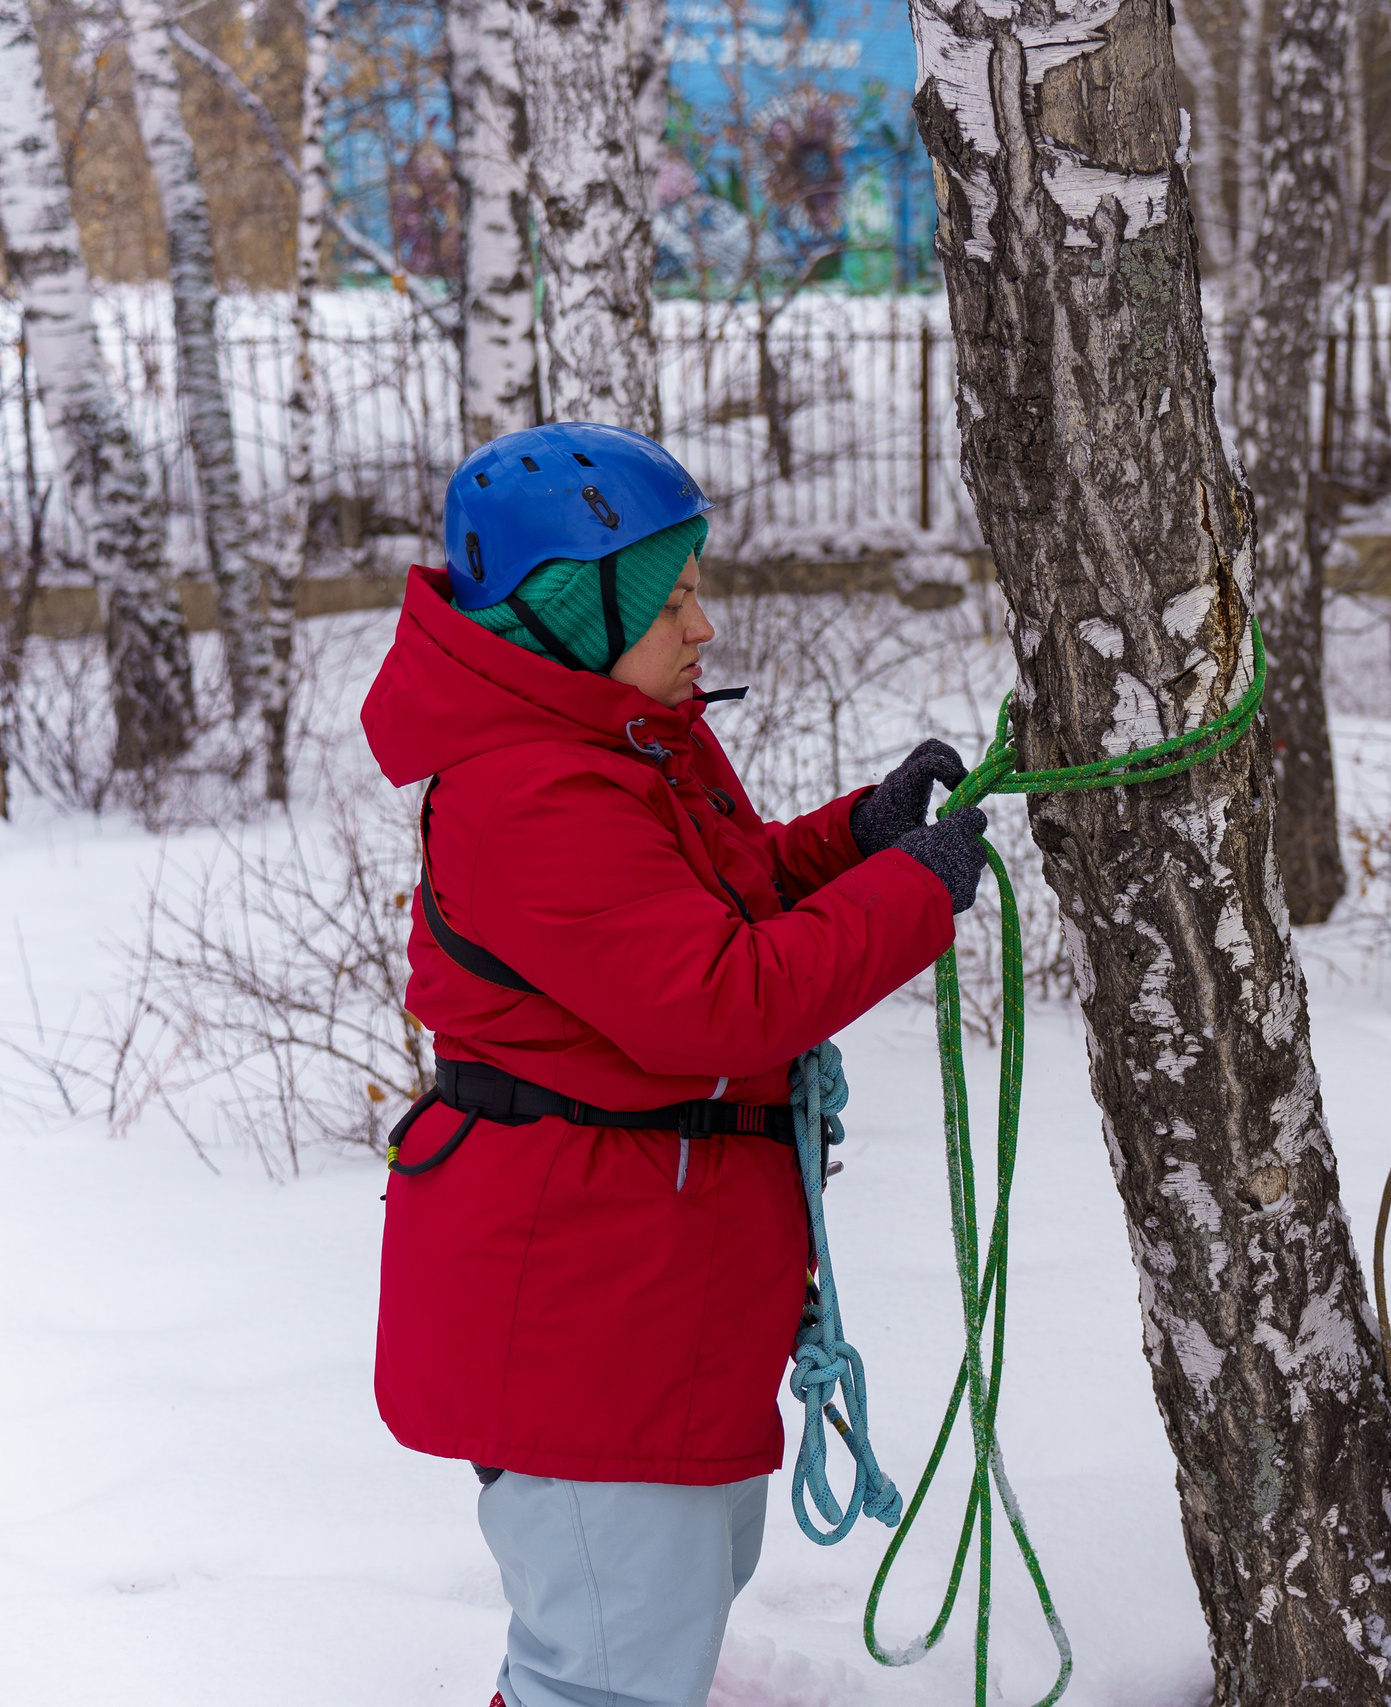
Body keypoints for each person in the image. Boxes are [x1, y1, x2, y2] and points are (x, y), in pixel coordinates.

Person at [361, 421, 989, 1707]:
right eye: (673, 597)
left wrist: (858, 842)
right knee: (603, 1674)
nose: (702, 627)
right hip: (584, 1301)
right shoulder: (532, 793)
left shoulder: (620, 737)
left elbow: (716, 899)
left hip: (644, 1285)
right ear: (567, 614)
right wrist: (910, 901)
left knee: (651, 1623)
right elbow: (719, 1001)